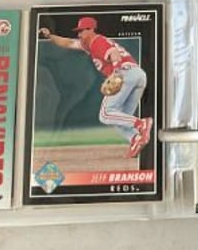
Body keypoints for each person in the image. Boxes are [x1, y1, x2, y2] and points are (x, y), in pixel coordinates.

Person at [38, 17, 153, 157]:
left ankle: (141, 123)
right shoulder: (88, 44)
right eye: (78, 31)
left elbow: (114, 53)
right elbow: (68, 43)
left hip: (125, 74)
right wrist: (49, 36)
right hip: (138, 75)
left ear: (91, 29)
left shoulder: (97, 42)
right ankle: (136, 139)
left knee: (106, 114)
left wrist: (116, 73)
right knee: (119, 118)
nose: (79, 34)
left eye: (82, 31)